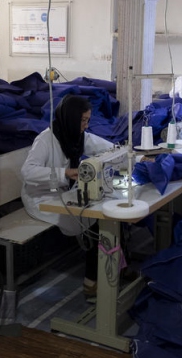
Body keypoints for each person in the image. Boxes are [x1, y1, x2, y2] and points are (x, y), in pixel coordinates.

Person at [21, 94, 115, 296]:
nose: (86, 126)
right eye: (82, 120)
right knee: (95, 219)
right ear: (71, 118)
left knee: (104, 211)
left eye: (88, 120)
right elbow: (27, 172)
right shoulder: (46, 139)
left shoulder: (77, 136)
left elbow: (107, 148)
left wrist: (129, 153)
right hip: (41, 197)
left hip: (62, 191)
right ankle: (92, 281)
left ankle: (114, 268)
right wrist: (63, 173)